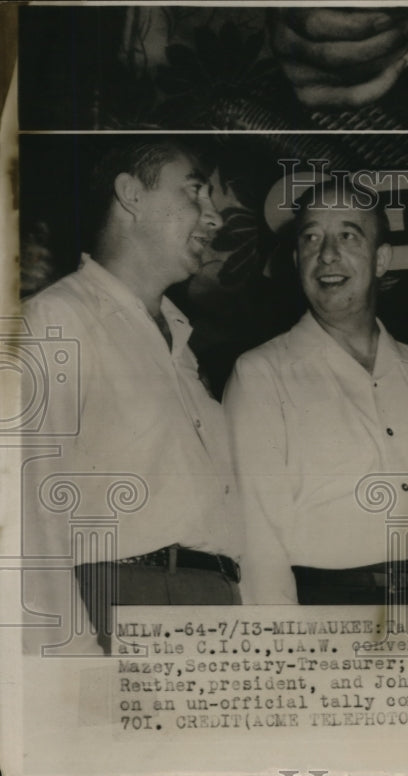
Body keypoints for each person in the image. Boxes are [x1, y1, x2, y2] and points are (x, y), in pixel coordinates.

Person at [224, 175, 408, 605]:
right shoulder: (261, 374)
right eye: (311, 238)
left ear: (381, 259)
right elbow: (259, 542)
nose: (327, 254)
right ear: (296, 260)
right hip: (335, 618)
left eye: (348, 235)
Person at [21, 139, 242, 654]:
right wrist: (65, 657)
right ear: (130, 194)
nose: (213, 218)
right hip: (122, 598)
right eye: (195, 193)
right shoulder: (57, 320)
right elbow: (31, 512)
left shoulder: (183, 346)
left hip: (214, 602)